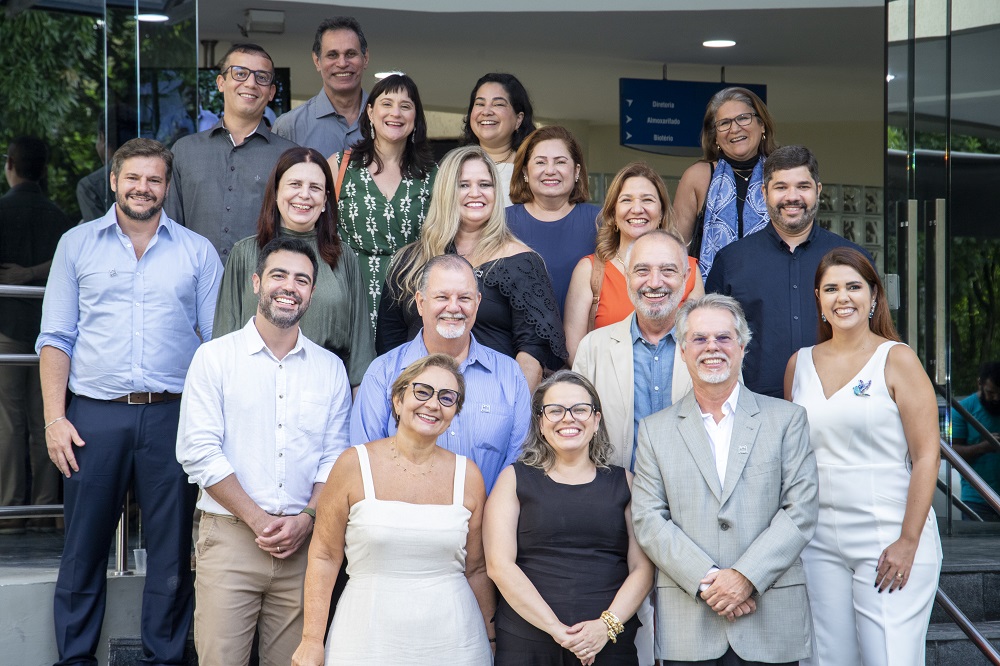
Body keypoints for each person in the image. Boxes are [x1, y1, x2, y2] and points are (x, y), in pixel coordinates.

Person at [37, 138, 222, 666]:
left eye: (154, 180)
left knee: (170, 552)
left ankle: (165, 656)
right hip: (93, 415)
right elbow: (55, 338)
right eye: (133, 178)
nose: (143, 188)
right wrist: (55, 418)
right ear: (114, 182)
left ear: (167, 187)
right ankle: (74, 658)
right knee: (83, 548)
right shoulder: (76, 245)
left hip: (173, 414)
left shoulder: (197, 251)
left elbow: (215, 346)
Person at [177, 236, 351, 665]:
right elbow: (198, 451)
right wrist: (260, 520)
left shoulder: (330, 370)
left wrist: (306, 519)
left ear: (312, 292)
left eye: (302, 280)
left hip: (302, 549)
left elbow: (335, 456)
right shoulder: (213, 358)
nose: (289, 286)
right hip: (231, 539)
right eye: (278, 275)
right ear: (256, 282)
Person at [632, 294, 819, 666]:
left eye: (723, 338)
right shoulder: (654, 431)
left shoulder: (787, 420)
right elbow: (648, 520)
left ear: (742, 347)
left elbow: (801, 511)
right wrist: (709, 579)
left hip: (770, 618)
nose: (712, 348)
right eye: (699, 339)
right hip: (690, 622)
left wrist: (745, 577)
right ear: (683, 350)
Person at [785, 248, 942, 665]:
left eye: (854, 287)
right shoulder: (798, 365)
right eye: (832, 288)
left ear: (874, 296)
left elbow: (928, 456)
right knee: (827, 659)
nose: (843, 297)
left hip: (888, 533)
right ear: (818, 298)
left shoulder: (897, 358)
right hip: (817, 539)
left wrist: (909, 542)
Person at [291, 354, 494, 665]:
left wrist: (492, 640)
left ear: (455, 412)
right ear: (398, 400)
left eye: (447, 397)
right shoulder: (352, 464)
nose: (433, 404)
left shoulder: (469, 476)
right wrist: (311, 639)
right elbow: (324, 556)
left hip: (456, 643)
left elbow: (477, 569)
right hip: (364, 639)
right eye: (422, 391)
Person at [484, 370, 654, 665]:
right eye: (555, 410)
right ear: (540, 421)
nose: (568, 418)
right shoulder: (513, 479)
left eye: (580, 409)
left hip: (609, 645)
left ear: (596, 419)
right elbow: (499, 566)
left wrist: (606, 627)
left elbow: (643, 568)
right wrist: (558, 631)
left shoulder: (625, 482)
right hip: (528, 644)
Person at [377, 145, 566, 390]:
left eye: (485, 185)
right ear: (446, 191)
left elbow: (532, 354)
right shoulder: (409, 262)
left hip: (492, 405)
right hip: (419, 404)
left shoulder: (522, 262)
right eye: (463, 185)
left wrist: (511, 412)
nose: (475, 193)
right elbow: (389, 342)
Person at [351, 254, 529, 493]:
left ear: (477, 302)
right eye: (442, 297)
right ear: (421, 303)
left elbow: (518, 465)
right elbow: (364, 461)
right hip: (400, 520)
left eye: (464, 298)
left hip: (484, 524)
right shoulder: (383, 373)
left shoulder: (510, 375)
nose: (453, 307)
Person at [705, 145, 870, 399]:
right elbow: (712, 339)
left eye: (803, 186)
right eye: (781, 187)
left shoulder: (851, 258)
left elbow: (874, 331)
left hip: (840, 402)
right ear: (764, 193)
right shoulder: (731, 260)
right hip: (755, 408)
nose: (792, 197)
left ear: (818, 190)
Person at [213, 146, 374, 388]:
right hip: (252, 385)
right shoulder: (244, 253)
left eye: (315, 188)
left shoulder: (344, 257)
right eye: (295, 184)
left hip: (324, 387)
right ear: (276, 192)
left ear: (325, 200)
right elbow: (223, 342)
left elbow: (360, 352)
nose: (305, 195)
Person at [165, 43, 298, 262]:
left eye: (262, 77)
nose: (251, 83)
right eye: (240, 73)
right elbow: (169, 230)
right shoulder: (184, 151)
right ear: (221, 82)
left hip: (261, 289)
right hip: (195, 287)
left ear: (271, 92)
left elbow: (295, 234)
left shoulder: (290, 157)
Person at [573, 230, 694, 471]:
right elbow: (577, 434)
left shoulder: (712, 346)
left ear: (686, 276)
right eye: (642, 270)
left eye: (668, 270)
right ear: (627, 276)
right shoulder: (593, 347)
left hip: (692, 498)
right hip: (617, 497)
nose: (654, 282)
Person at [564, 162, 703, 366]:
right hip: (608, 391)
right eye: (626, 200)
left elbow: (698, 342)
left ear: (662, 212)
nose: (637, 209)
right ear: (612, 213)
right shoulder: (590, 271)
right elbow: (574, 352)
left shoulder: (688, 270)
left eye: (647, 200)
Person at [329, 73, 436, 334]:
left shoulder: (433, 174)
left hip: (411, 300)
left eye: (406, 106)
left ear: (415, 117)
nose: (395, 113)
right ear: (370, 111)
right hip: (349, 294)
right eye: (387, 104)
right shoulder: (339, 164)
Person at [0, 137, 70, 533]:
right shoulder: (59, 216)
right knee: (48, 419)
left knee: (9, 424)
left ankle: (9, 513)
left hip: (6, 329)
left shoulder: (2, 209)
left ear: (10, 164)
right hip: (49, 333)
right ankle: (47, 510)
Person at [672, 87, 777, 281]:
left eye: (744, 118)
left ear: (762, 125)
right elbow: (675, 252)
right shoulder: (698, 177)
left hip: (771, 295)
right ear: (715, 136)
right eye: (724, 123)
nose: (735, 129)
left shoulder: (780, 175)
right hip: (710, 300)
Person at [506, 125, 599, 315]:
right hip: (515, 342)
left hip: (586, 340)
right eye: (540, 162)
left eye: (560, 162)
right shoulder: (501, 223)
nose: (550, 170)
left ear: (576, 171)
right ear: (525, 172)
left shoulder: (601, 222)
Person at [273, 17, 369, 157]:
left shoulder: (390, 120)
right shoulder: (289, 127)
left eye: (351, 54)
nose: (342, 63)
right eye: (332, 55)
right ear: (317, 61)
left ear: (365, 58)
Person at [462, 73, 535, 207]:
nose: (486, 111)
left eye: (498, 104)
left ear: (518, 119)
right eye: (479, 103)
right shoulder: (455, 166)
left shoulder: (532, 169)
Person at [952, 361, 1000, 521]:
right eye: (991, 392)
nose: (996, 398)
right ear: (980, 384)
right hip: (977, 499)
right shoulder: (962, 409)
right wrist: (984, 447)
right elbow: (953, 452)